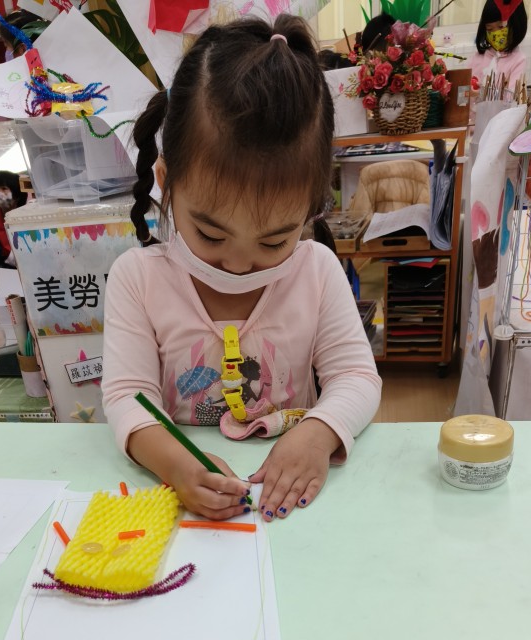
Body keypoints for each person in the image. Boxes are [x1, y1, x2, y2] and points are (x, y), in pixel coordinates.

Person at [102, 15, 382, 524]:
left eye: (275, 240)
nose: (236, 264)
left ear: (311, 209)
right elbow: (127, 397)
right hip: (186, 508)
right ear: (166, 181)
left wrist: (318, 434)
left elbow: (356, 377)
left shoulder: (316, 271)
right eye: (210, 234)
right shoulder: (137, 279)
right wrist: (176, 463)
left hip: (293, 511)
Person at [470, 0, 527, 97]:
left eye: (501, 27)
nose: (495, 34)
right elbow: (463, 91)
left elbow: (511, 98)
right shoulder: (478, 57)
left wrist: (482, 94)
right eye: (490, 29)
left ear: (516, 25)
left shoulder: (518, 60)